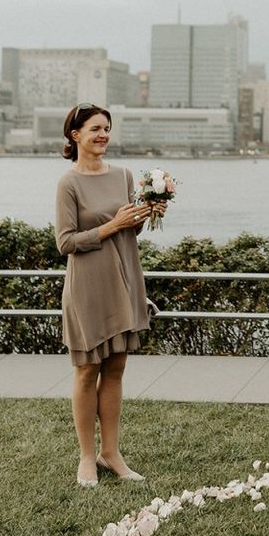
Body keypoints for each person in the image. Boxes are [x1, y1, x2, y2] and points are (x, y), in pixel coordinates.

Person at [55, 103, 163, 487]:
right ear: (76, 135)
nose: (102, 135)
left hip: (124, 279)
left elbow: (128, 232)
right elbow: (65, 242)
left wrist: (145, 215)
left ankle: (111, 453)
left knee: (115, 369)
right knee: (87, 371)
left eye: (107, 129)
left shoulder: (124, 175)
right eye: (95, 129)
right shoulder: (69, 183)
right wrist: (111, 225)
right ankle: (87, 456)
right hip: (87, 286)